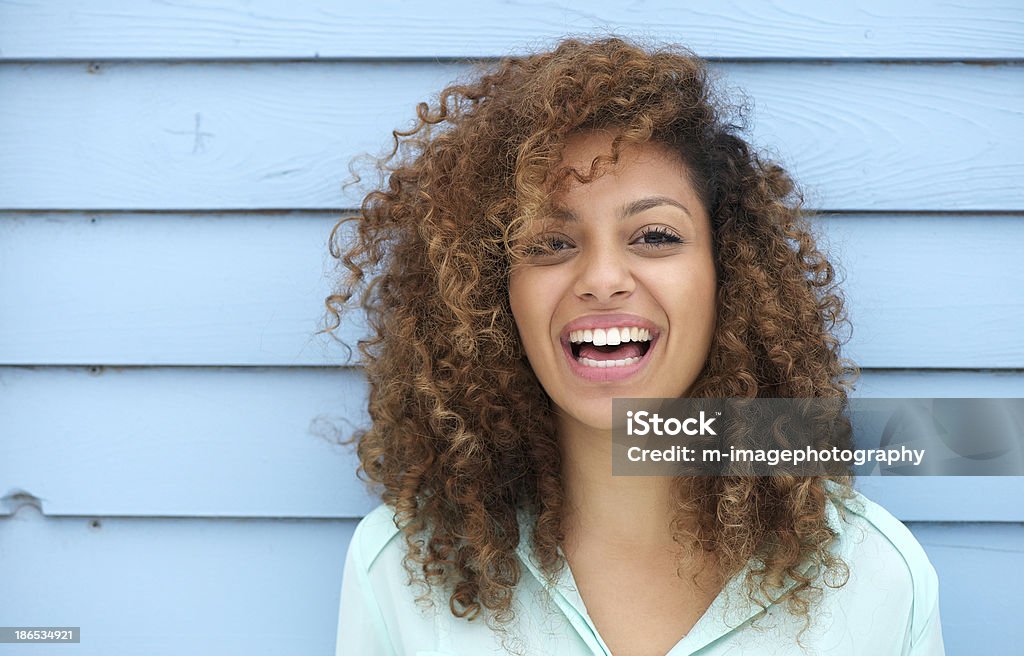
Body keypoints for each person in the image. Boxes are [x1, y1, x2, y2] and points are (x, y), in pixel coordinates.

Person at [326, 36, 944, 656]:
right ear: (491, 296)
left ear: (727, 274)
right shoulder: (399, 572)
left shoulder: (875, 577)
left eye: (653, 235)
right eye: (549, 243)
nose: (601, 279)